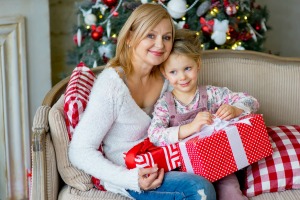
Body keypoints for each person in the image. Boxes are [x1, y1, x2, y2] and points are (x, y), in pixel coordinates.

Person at [68, 3, 216, 200]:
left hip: (167, 162)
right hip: (130, 174)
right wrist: (131, 179)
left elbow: (191, 111)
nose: (160, 45)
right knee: (198, 188)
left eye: (166, 37)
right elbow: (79, 150)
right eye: (150, 35)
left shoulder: (169, 78)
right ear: (130, 38)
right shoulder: (112, 85)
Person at [147, 29, 259, 200]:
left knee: (231, 193)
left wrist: (235, 109)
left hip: (221, 163)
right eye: (173, 72)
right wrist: (190, 127)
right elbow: (154, 135)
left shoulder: (212, 94)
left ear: (198, 64)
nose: (182, 77)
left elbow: (251, 101)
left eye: (187, 68)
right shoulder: (164, 104)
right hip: (186, 171)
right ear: (164, 73)